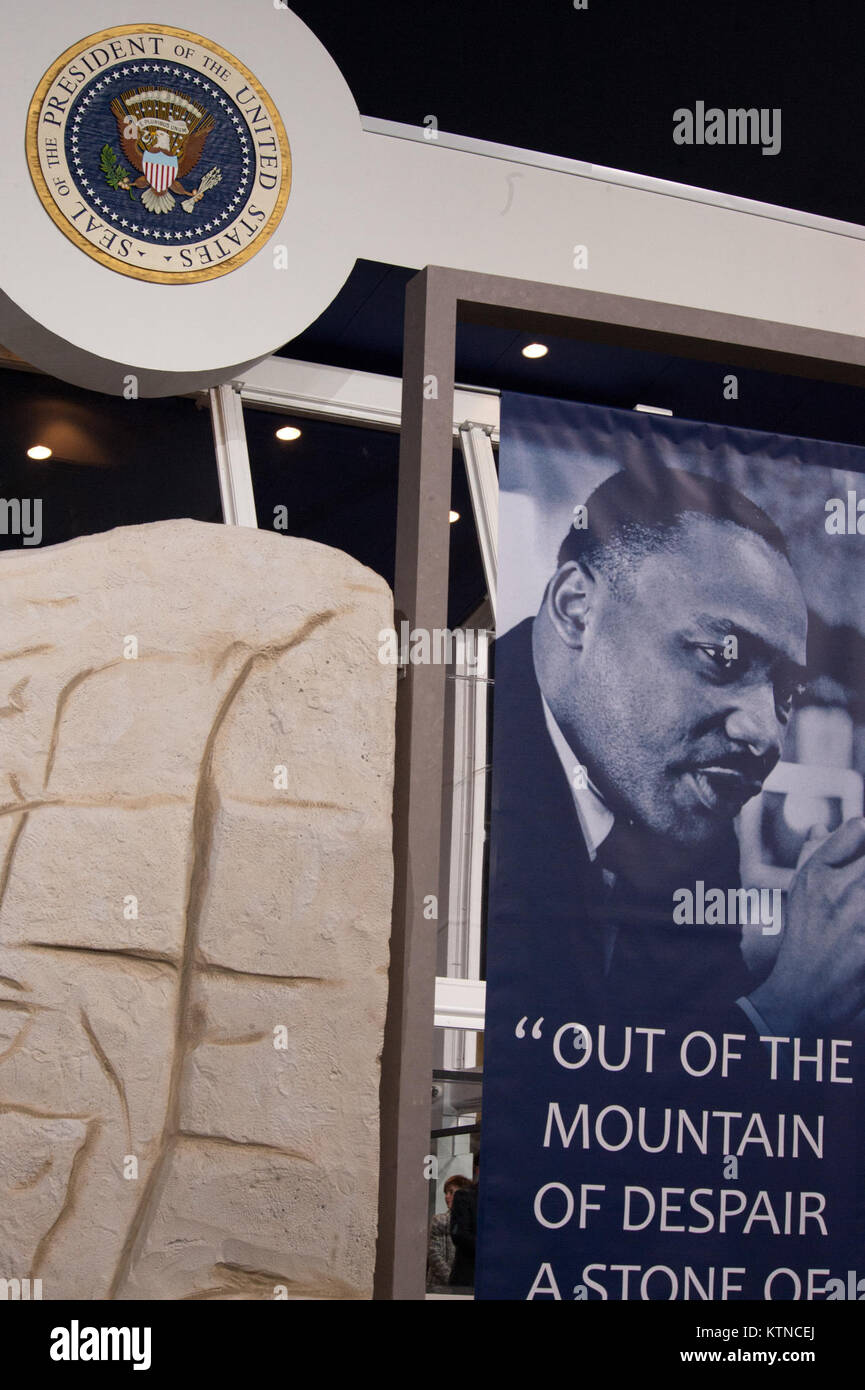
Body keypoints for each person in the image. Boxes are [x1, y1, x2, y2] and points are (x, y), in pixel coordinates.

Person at [489, 461, 865, 1039]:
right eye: (722, 656)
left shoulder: (687, 814)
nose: (764, 734)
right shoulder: (463, 755)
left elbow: (663, 1065)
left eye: (786, 692)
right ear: (575, 608)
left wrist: (811, 957)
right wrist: (785, 1011)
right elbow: (523, 1075)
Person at [426, 1174, 473, 1290]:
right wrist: (453, 1279)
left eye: (451, 1192)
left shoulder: (471, 1222)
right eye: (446, 1193)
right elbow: (434, 1255)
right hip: (439, 1286)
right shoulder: (440, 1220)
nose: (447, 1197)